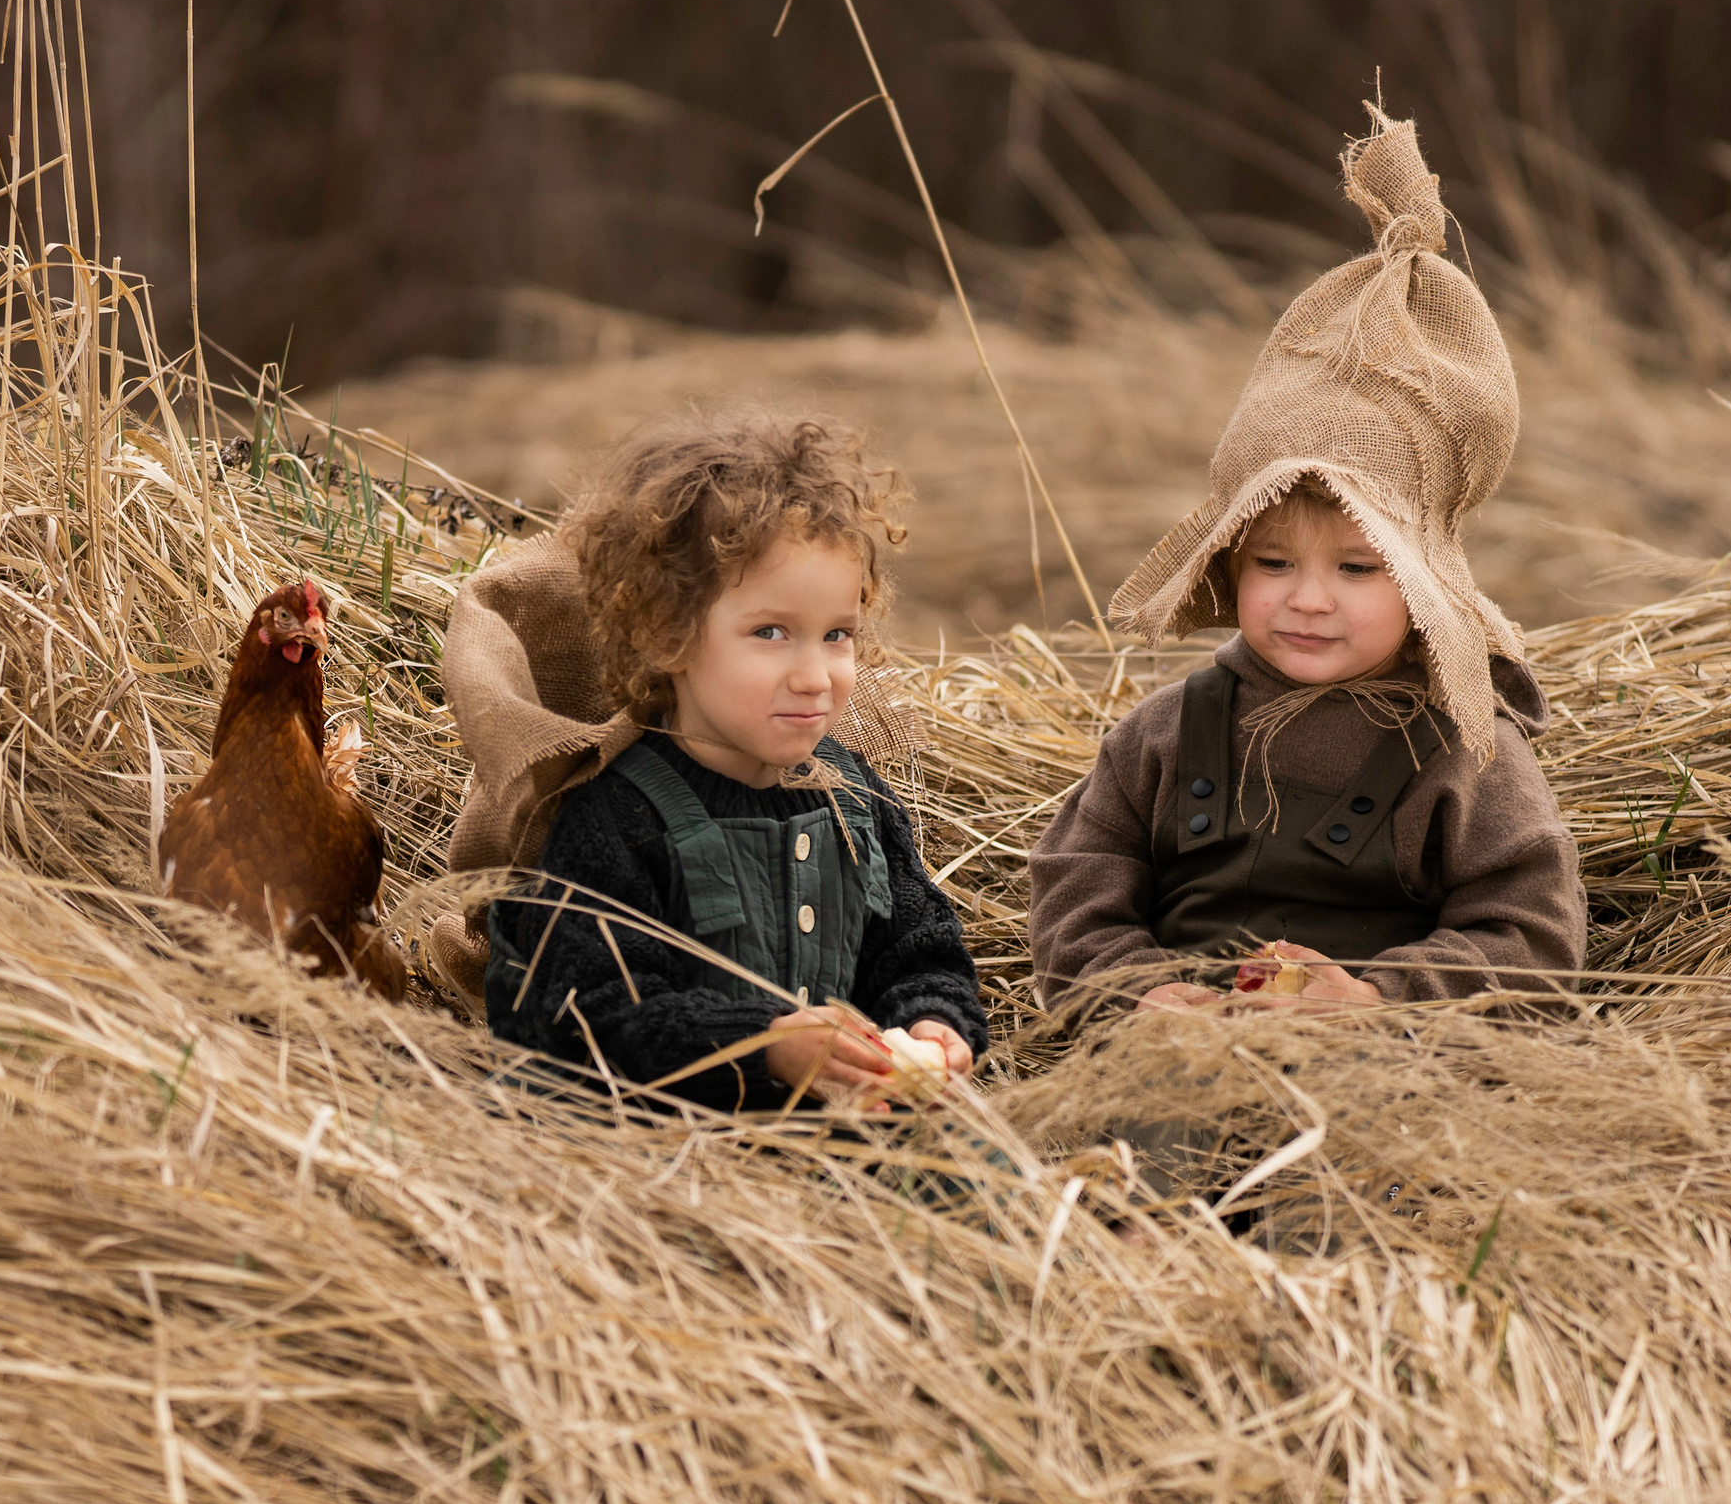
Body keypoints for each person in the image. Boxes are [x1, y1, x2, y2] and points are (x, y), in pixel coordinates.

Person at [1025, 110, 1584, 1195]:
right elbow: (1076, 885)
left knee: (1331, 1201)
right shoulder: (1165, 733)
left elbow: (1531, 942)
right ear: (1229, 562)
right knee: (1132, 1184)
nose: (1308, 599)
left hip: (1379, 1092)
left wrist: (1375, 1001)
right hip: (1169, 1069)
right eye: (1273, 562)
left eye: (1359, 568)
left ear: (1424, 584)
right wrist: (1137, 993)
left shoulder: (1466, 752)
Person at [484, 411, 987, 1113]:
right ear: (665, 634)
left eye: (837, 634)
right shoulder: (616, 819)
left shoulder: (856, 800)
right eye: (771, 632)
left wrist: (933, 1023)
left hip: (842, 1138)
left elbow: (919, 952)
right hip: (667, 1152)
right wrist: (762, 1046)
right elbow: (590, 1017)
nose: (815, 676)